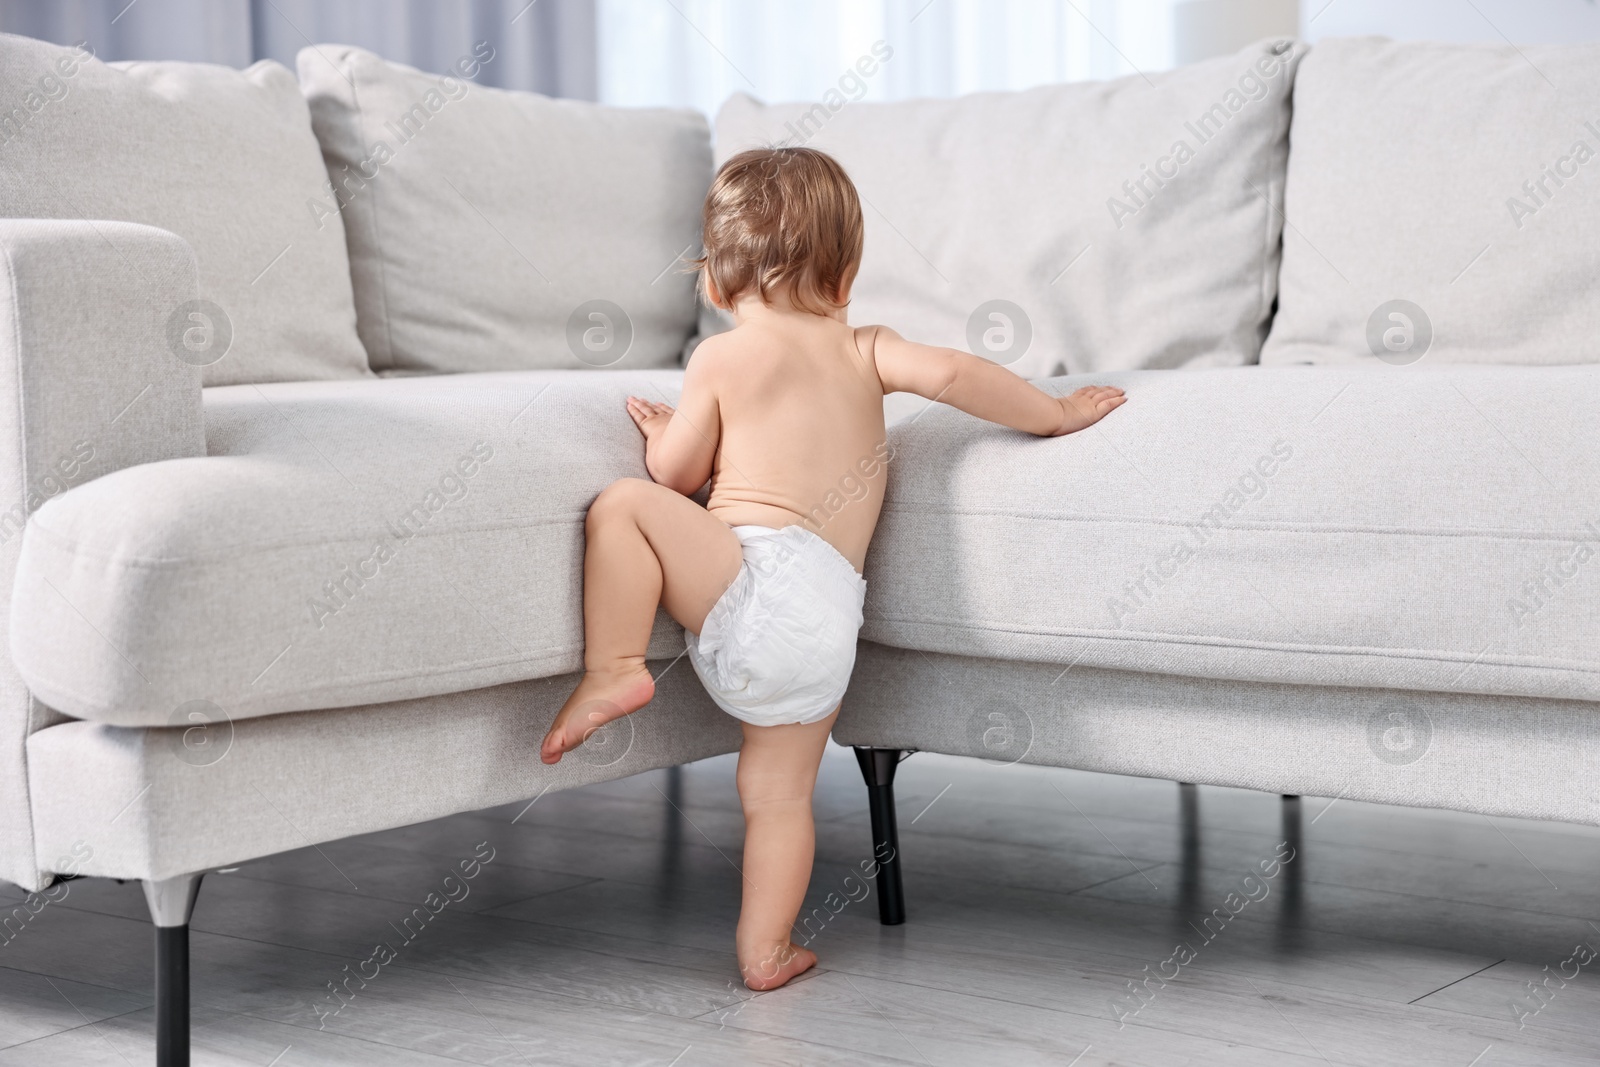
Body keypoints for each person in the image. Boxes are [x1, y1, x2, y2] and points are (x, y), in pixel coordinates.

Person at [540, 146, 1127, 989]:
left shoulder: (720, 360)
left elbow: (672, 477)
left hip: (748, 583)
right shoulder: (867, 350)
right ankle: (765, 949)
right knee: (781, 797)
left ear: (713, 285)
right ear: (848, 270)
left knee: (621, 508)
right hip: (825, 631)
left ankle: (615, 667)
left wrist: (665, 430)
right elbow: (959, 375)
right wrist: (1059, 411)